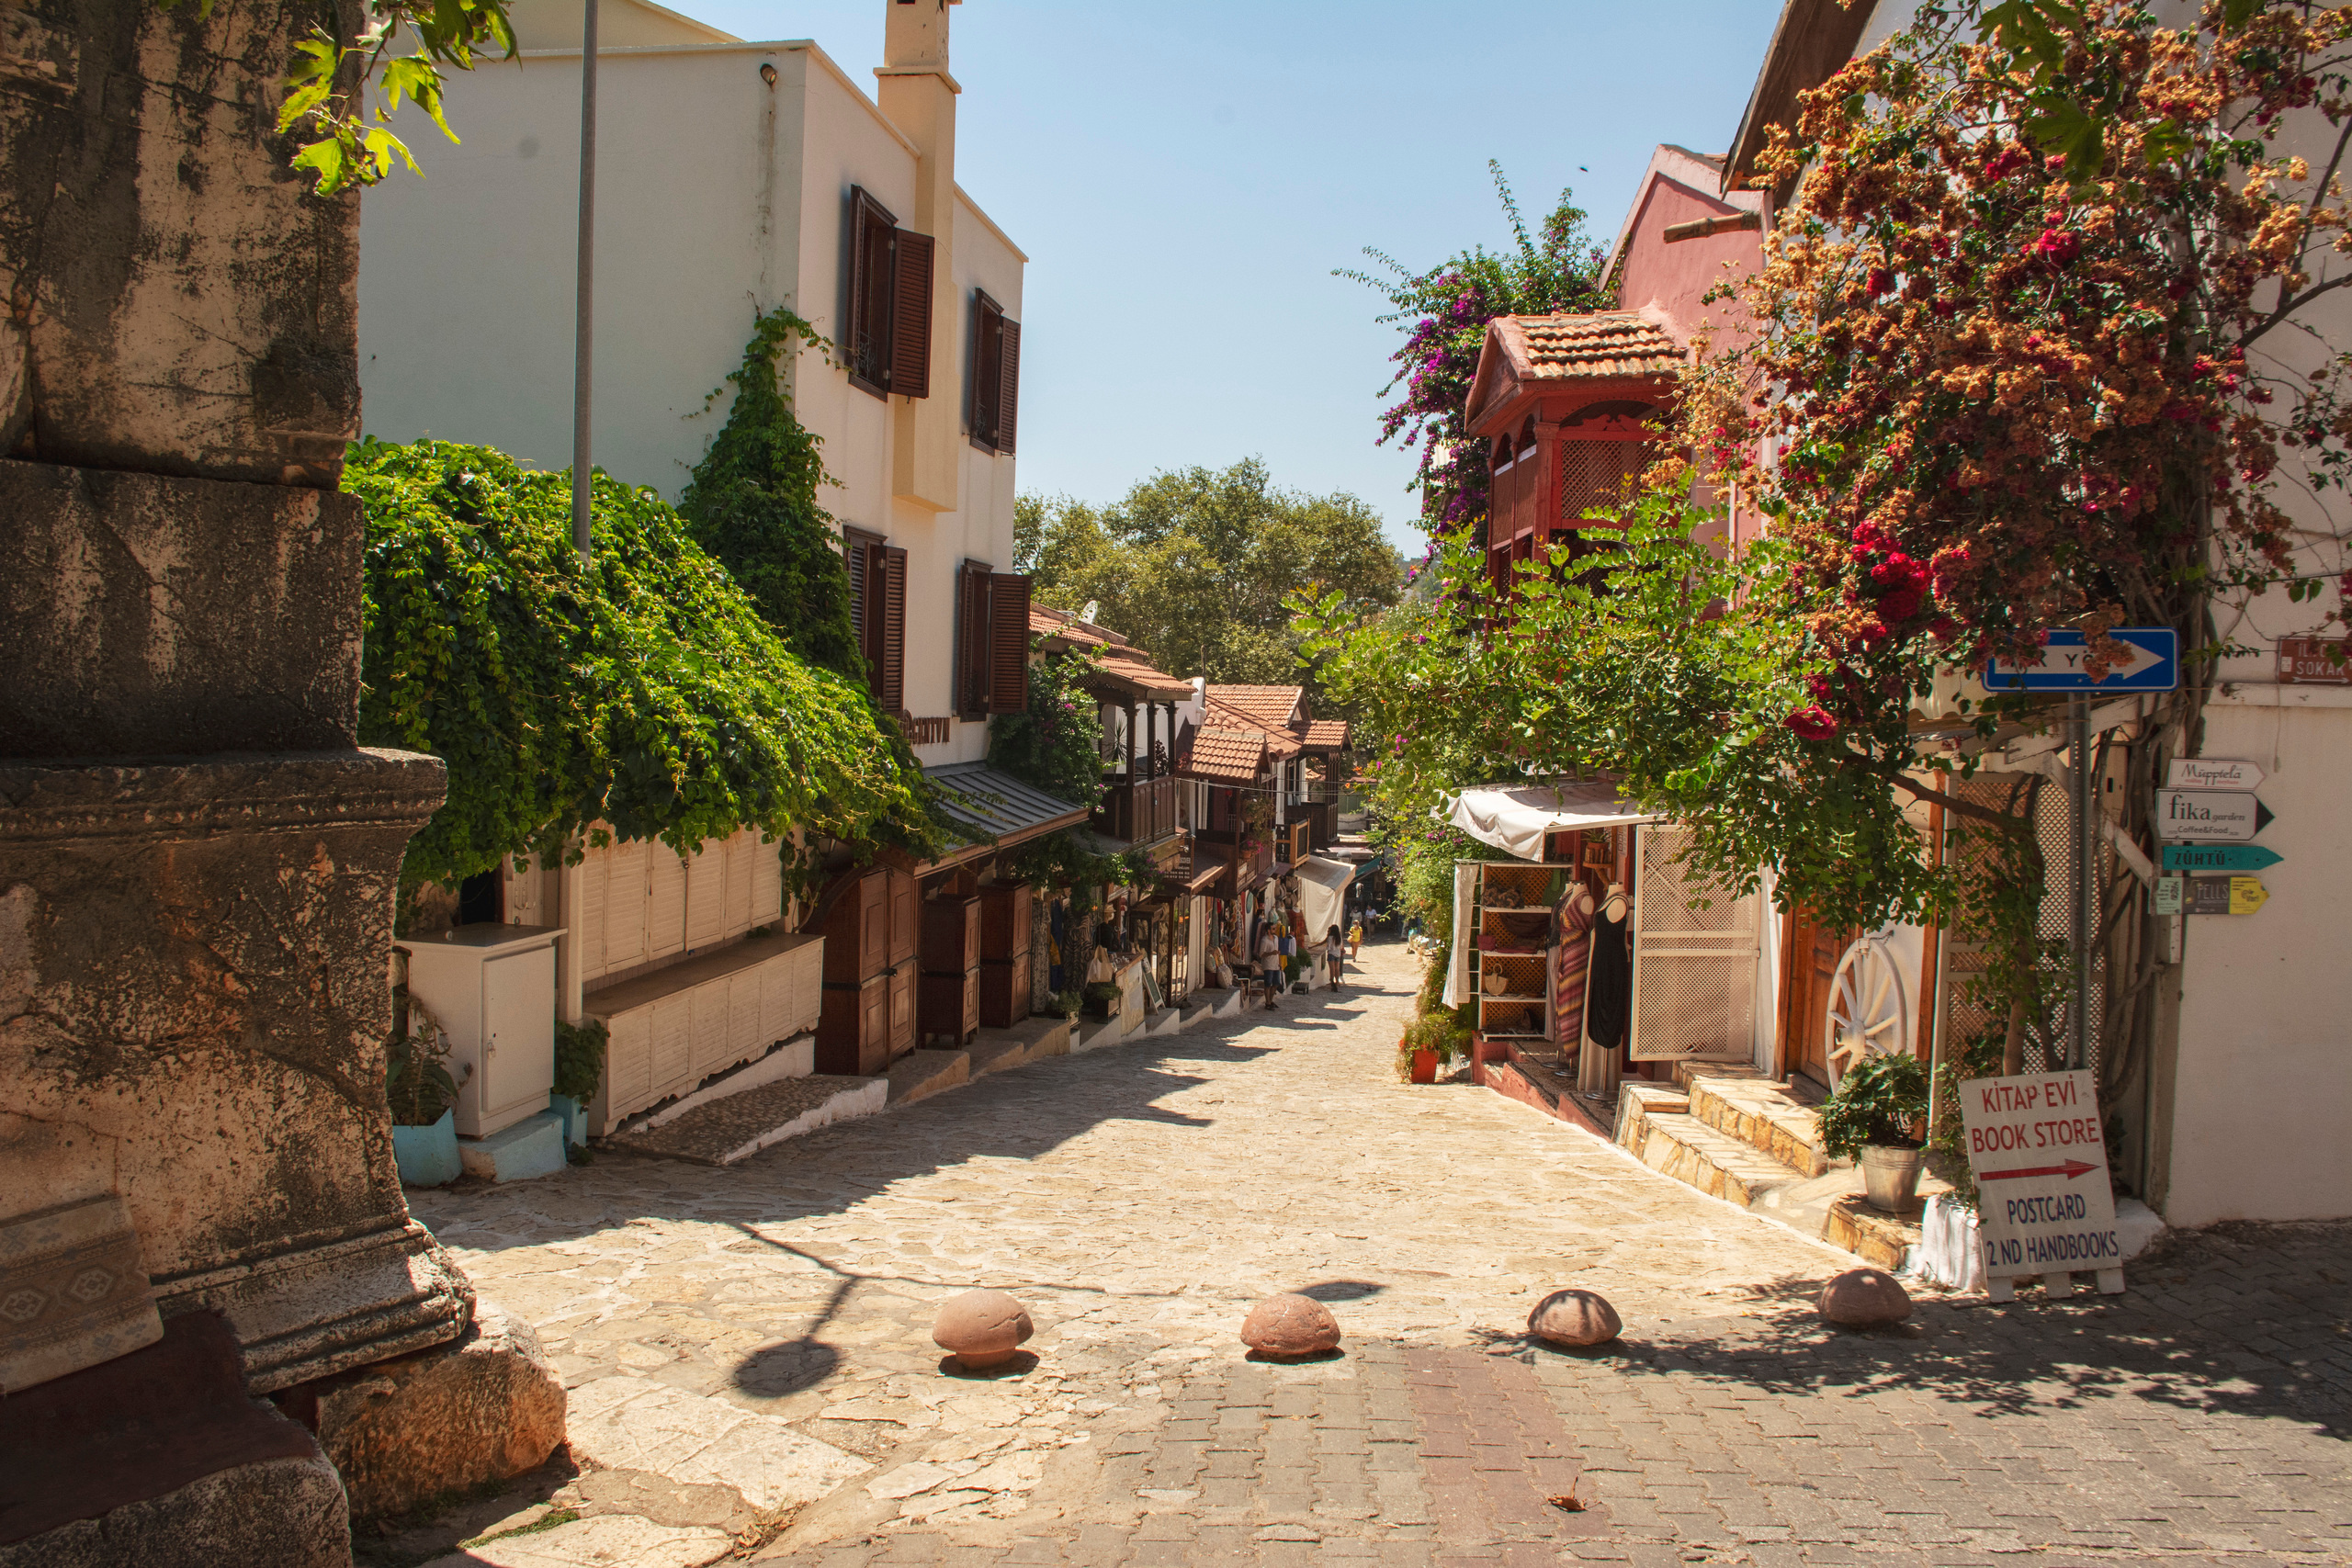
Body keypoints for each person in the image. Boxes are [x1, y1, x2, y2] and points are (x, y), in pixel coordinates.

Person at [1253, 922, 1283, 1010]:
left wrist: (1280, 962)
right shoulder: (1264, 940)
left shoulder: (1276, 938)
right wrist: (1271, 953)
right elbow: (1261, 954)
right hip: (1268, 964)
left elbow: (1277, 951)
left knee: (1276, 983)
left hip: (1276, 964)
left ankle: (1271, 1000)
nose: (1275, 930)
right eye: (1273, 929)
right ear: (1268, 930)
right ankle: (1267, 1002)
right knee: (1268, 984)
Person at [1324, 924, 1345, 990]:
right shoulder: (1339, 937)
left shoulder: (1330, 937)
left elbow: (1328, 947)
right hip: (1337, 954)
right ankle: (1337, 981)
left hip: (1331, 954)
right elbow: (1341, 946)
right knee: (1337, 969)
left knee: (1332, 969)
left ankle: (1332, 981)